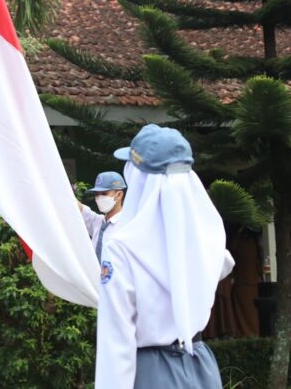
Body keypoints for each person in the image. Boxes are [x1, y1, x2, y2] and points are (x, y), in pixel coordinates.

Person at [96, 124, 235, 388]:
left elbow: (116, 346)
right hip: (200, 366)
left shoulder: (121, 249)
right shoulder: (206, 240)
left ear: (137, 178)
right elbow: (225, 264)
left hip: (150, 372)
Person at [78, 171, 126, 261]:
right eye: (97, 194)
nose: (99, 198)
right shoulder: (98, 222)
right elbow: (76, 206)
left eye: (104, 194)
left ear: (119, 195)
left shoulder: (127, 226)